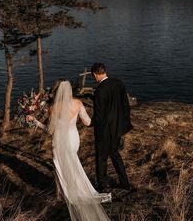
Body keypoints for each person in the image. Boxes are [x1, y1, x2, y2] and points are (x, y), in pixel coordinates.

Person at [27, 79, 111, 221]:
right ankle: (73, 190)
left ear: (57, 91)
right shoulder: (77, 103)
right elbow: (88, 122)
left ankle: (63, 193)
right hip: (73, 138)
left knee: (59, 165)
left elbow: (49, 130)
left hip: (59, 140)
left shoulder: (53, 108)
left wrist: (35, 121)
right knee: (72, 162)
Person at [91, 62, 133, 191]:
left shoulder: (99, 91)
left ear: (94, 74)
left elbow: (98, 116)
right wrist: (123, 122)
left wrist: (90, 124)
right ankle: (125, 182)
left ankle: (102, 185)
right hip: (118, 127)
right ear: (104, 71)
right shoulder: (118, 83)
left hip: (104, 130)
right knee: (114, 153)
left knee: (101, 157)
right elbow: (126, 105)